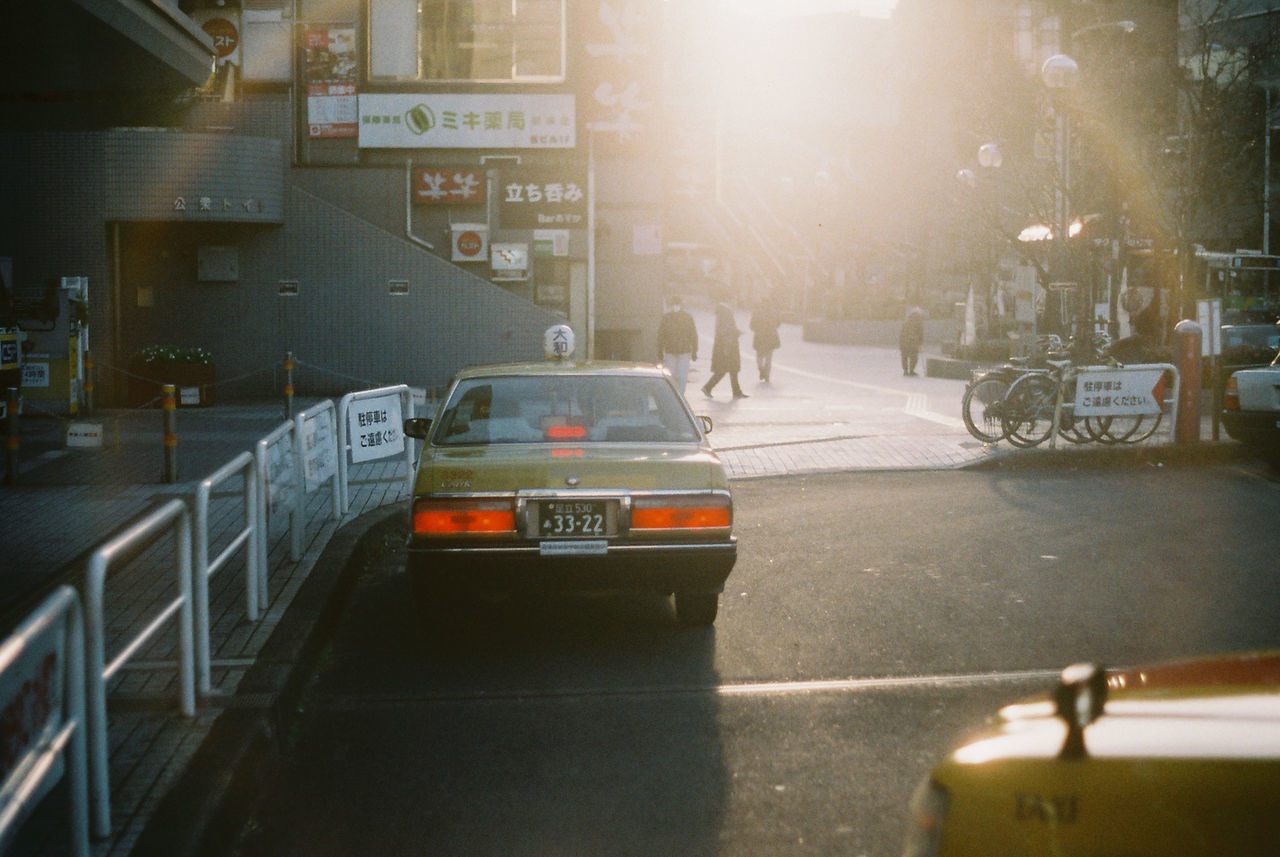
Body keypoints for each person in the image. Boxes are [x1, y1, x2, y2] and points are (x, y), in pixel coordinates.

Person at [701, 302, 748, 399]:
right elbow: (726, 331)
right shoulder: (726, 313)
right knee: (724, 370)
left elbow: (725, 330)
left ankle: (736, 391)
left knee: (731, 369)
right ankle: (708, 387)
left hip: (725, 345)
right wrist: (734, 336)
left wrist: (736, 332)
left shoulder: (722, 312)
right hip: (728, 346)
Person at [656, 294, 698, 392]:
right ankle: (681, 395)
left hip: (670, 350)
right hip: (684, 350)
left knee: (671, 375)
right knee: (682, 376)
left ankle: (672, 393)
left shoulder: (666, 317)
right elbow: (693, 334)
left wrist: (660, 350)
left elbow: (661, 335)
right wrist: (695, 350)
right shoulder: (687, 317)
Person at [750, 298, 782, 383]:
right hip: (771, 336)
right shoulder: (774, 312)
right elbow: (778, 323)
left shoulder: (756, 312)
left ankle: (761, 369)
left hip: (759, 336)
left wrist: (757, 329)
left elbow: (752, 325)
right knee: (769, 356)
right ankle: (767, 375)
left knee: (759, 355)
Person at [899, 305, 925, 376]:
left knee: (904, 356)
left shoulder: (906, 322)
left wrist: (900, 343)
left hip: (904, 342)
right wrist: (921, 342)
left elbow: (902, 333)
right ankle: (911, 370)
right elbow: (920, 333)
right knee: (913, 356)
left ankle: (905, 370)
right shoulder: (918, 323)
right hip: (913, 342)